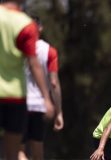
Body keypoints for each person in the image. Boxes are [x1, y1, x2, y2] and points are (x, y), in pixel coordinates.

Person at [0, 1, 54, 159]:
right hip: (15, 96)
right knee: (12, 153)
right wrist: (46, 97)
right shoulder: (25, 24)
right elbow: (33, 63)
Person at [17, 16, 64, 160]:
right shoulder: (49, 51)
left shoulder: (17, 47)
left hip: (20, 103)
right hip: (40, 105)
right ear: (41, 28)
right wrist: (59, 112)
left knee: (19, 151)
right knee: (38, 152)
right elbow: (54, 83)